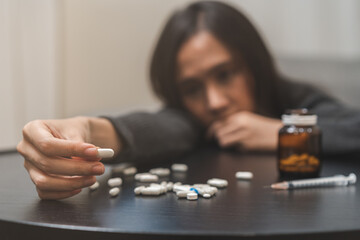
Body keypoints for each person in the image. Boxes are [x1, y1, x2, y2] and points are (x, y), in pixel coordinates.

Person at [17, 1, 360, 200]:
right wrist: (86, 128)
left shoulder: (296, 99)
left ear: (254, 65)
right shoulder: (190, 122)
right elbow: (159, 128)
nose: (214, 101)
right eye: (193, 89)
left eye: (225, 74)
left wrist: (280, 133)